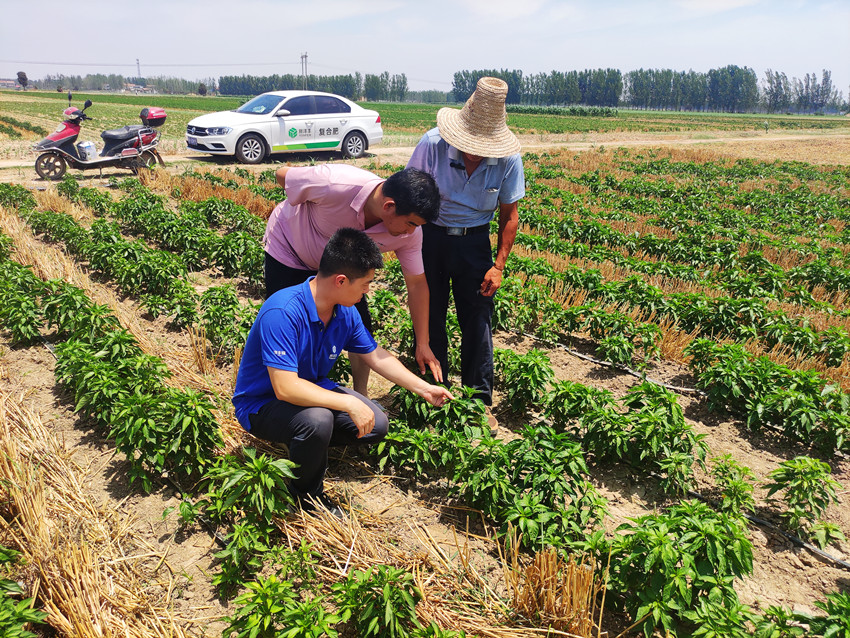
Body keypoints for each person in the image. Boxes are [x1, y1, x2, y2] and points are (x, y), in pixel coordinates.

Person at [233, 228, 453, 510]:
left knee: (377, 424)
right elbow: (285, 387)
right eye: (365, 284)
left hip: (309, 391)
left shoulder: (344, 311)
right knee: (318, 421)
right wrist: (347, 401)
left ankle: (306, 447)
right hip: (262, 404)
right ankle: (305, 496)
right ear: (340, 280)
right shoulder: (284, 311)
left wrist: (424, 388)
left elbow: (375, 355)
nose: (367, 292)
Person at [263, 164, 443, 396]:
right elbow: (282, 174)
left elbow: (417, 284)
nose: (412, 231)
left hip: (342, 274)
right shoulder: (335, 183)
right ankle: (285, 391)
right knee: (290, 322)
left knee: (361, 328)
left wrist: (423, 343)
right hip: (289, 250)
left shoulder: (409, 236)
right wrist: (303, 203)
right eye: (411, 223)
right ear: (389, 206)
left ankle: (361, 394)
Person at [406, 77, 525, 422]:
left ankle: (477, 401)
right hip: (431, 236)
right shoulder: (432, 144)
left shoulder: (508, 159)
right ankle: (431, 389)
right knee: (431, 313)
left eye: (481, 144)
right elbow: (407, 195)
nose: (473, 150)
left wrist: (498, 266)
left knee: (477, 318)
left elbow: (509, 215)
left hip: (475, 241)